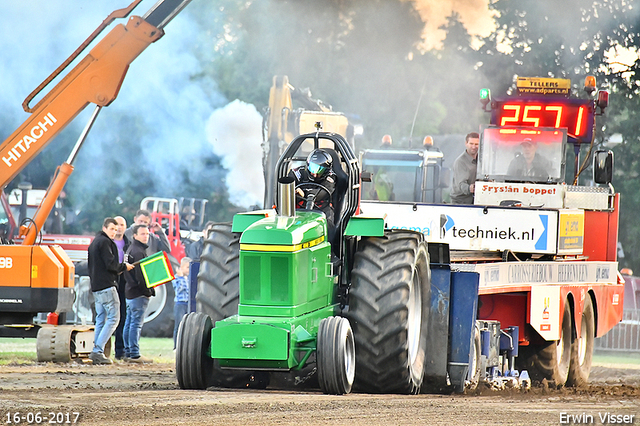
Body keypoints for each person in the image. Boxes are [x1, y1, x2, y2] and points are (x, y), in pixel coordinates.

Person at [87, 217, 134, 365]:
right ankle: (97, 351)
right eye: (112, 229)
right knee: (114, 318)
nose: (115, 232)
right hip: (107, 286)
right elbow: (110, 264)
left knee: (101, 319)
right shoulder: (106, 242)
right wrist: (123, 267)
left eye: (116, 229)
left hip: (96, 287)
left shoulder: (94, 242)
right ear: (105, 228)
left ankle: (96, 348)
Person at [123, 224, 154, 364]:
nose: (146, 236)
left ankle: (128, 352)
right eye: (142, 234)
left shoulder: (130, 249)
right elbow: (141, 276)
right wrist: (148, 291)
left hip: (130, 292)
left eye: (147, 234)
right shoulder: (138, 252)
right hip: (138, 294)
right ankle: (135, 354)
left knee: (129, 323)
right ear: (134, 235)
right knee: (135, 324)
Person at [288, 148, 337, 225]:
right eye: (312, 168)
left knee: (329, 223)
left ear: (326, 170)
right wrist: (293, 190)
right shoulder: (297, 173)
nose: (314, 173)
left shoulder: (331, 177)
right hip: (298, 210)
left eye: (319, 170)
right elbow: (287, 185)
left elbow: (323, 192)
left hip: (321, 209)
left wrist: (304, 193)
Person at [113, 216, 130, 361]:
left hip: (125, 283)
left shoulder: (128, 244)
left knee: (123, 317)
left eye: (122, 224)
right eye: (117, 224)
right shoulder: (107, 243)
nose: (119, 227)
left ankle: (120, 350)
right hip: (110, 282)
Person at [450, 132, 480, 204]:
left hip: (476, 201)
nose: (473, 146)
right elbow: (461, 184)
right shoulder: (460, 162)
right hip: (460, 203)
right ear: (466, 143)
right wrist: (471, 188)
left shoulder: (481, 161)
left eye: (476, 144)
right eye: (471, 144)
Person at [172, 256, 192, 349]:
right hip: (180, 304)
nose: (189, 270)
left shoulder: (189, 279)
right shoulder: (176, 278)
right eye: (187, 267)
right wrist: (181, 278)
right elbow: (181, 289)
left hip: (188, 304)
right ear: (181, 267)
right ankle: (176, 346)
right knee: (178, 325)